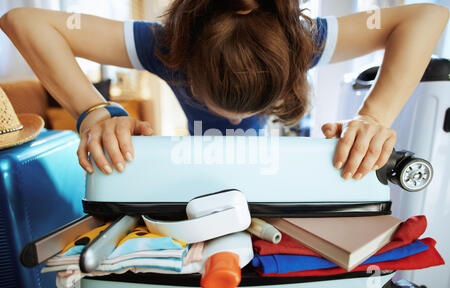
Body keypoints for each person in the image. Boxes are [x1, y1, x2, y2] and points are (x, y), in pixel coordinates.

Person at [0, 1, 448, 180]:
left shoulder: (300, 41)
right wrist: (93, 112)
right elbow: (22, 21)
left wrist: (374, 117)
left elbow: (426, 16)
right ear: (187, 71)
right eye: (222, 106)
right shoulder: (165, 46)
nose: (234, 119)